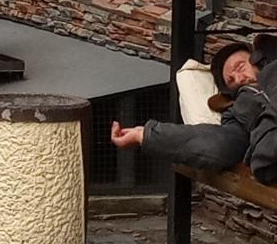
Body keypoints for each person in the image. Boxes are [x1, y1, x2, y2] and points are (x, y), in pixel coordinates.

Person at [111, 37, 277, 184]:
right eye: (231, 81)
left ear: (258, 58)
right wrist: (146, 135)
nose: (240, 79)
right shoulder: (239, 111)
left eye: (240, 67)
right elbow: (217, 144)